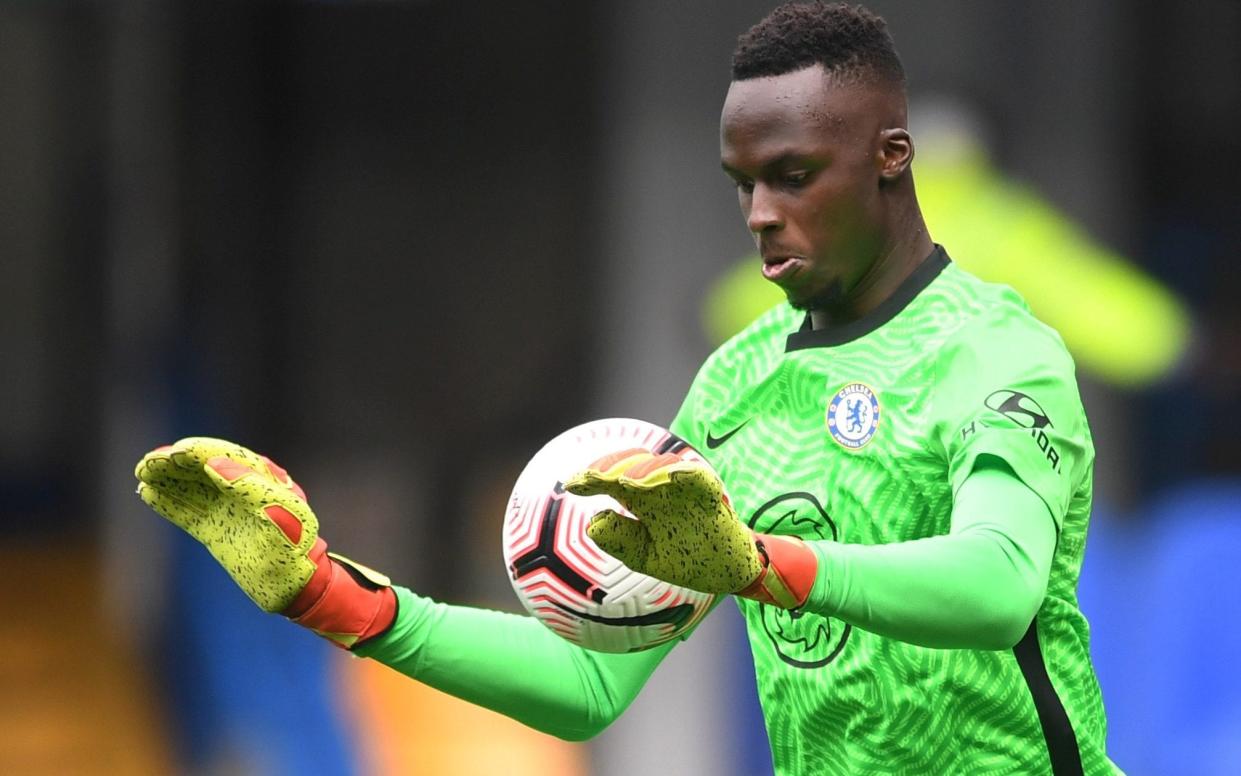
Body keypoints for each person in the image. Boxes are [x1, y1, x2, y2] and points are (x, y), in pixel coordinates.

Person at [134, 3, 1118, 773]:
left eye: (793, 175)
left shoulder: (995, 353)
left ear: (888, 160)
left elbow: (997, 584)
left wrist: (759, 562)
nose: (760, 214)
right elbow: (590, 681)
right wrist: (335, 599)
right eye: (744, 183)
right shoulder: (737, 387)